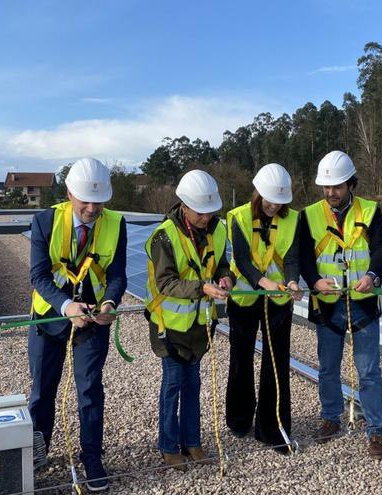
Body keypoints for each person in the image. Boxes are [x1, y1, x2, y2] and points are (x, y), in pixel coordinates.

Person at [28, 158, 127, 491]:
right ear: (69, 192)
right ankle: (36, 451)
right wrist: (66, 305)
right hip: (50, 318)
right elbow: (39, 276)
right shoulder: (45, 221)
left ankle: (92, 457)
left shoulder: (116, 223)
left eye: (98, 201)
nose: (91, 207)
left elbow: (117, 275)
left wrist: (111, 303)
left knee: (89, 389)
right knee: (43, 389)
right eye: (84, 200)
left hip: (94, 319)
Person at [297, 150, 382, 459]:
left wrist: (372, 275)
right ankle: (330, 418)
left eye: (337, 186)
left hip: (363, 303)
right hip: (327, 304)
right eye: (326, 187)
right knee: (327, 368)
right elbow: (303, 256)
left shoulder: (369, 210)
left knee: (368, 371)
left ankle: (376, 431)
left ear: (351, 184)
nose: (331, 193)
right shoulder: (310, 215)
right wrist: (314, 282)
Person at [144, 169, 233, 471]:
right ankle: (169, 447)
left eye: (210, 212)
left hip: (199, 326)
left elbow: (222, 263)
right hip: (168, 327)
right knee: (173, 386)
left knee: (193, 385)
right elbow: (166, 282)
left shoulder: (217, 230)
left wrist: (225, 278)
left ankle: (192, 442)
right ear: (183, 205)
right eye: (200, 212)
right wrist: (202, 288)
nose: (206, 218)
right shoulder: (164, 237)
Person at [225, 163, 302, 453]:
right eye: (269, 199)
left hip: (279, 300)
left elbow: (293, 257)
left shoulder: (293, 219)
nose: (273, 205)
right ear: (257, 193)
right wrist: (262, 282)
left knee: (277, 362)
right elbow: (242, 260)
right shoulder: (238, 217)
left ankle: (273, 429)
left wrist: (292, 281)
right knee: (240, 359)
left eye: (279, 201)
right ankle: (239, 419)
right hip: (245, 297)